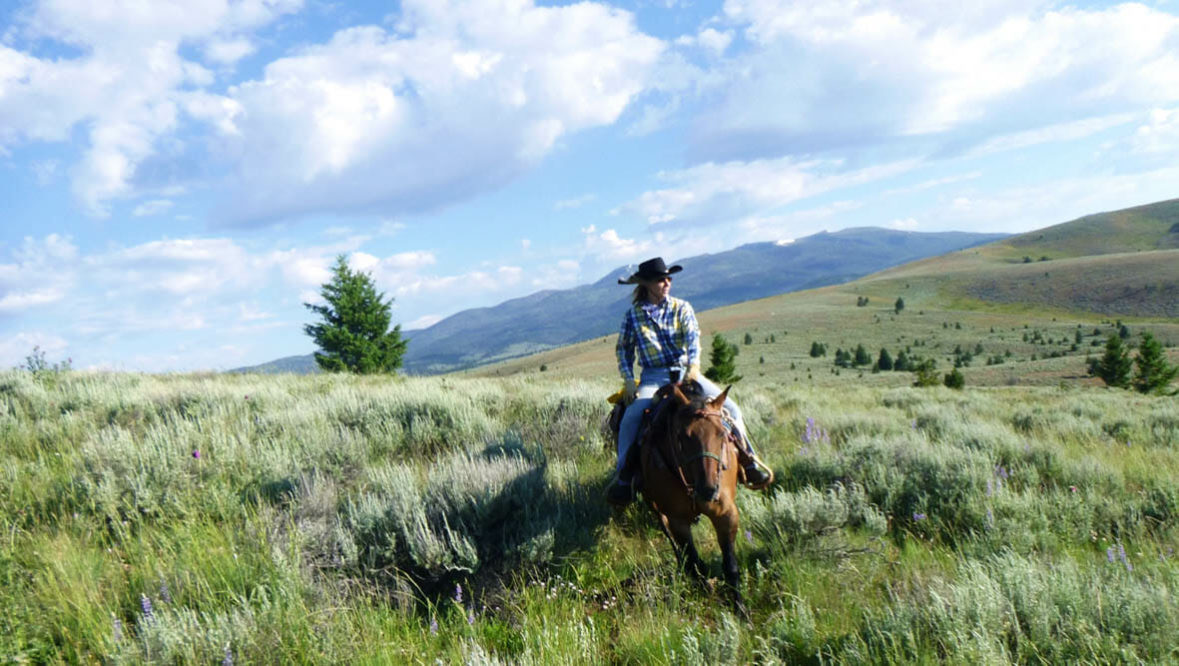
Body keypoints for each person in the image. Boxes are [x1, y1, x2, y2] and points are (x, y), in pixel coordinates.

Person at [607, 257, 772, 506]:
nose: (667, 282)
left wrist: (693, 366)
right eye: (661, 279)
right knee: (631, 417)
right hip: (654, 376)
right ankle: (624, 477)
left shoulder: (682, 307)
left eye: (668, 278)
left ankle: (749, 461)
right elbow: (624, 350)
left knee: (731, 409)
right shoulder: (633, 316)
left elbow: (693, 338)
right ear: (647, 284)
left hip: (687, 372)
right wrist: (629, 380)